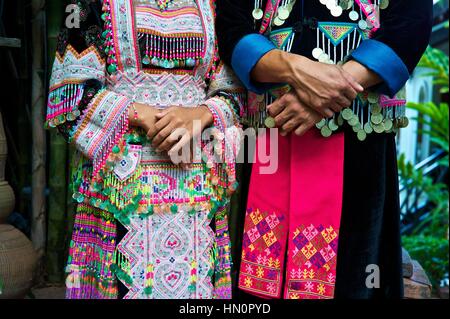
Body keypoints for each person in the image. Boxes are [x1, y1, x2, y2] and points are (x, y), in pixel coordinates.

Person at [216, 0, 433, 299]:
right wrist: (295, 69)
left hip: (359, 146)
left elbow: (409, 26)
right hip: (274, 136)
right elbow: (231, 28)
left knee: (355, 279)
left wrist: (324, 93)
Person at [46, 0, 244, 299]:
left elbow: (236, 93)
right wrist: (146, 116)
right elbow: (68, 94)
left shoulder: (215, 4)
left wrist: (201, 115)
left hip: (196, 188)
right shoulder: (87, 4)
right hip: (120, 185)